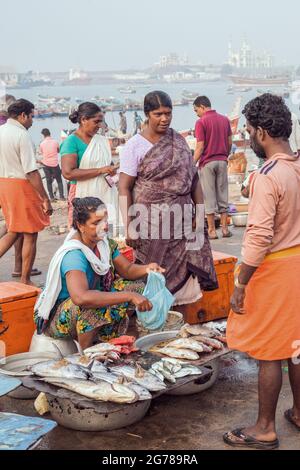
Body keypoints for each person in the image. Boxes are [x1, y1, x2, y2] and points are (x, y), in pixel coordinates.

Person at [224, 94, 300, 450]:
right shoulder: (297, 166)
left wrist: (241, 282)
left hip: (276, 268)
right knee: (297, 346)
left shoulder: (267, 175)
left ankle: (265, 427)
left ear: (263, 133)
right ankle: (299, 412)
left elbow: (258, 235)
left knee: (271, 352)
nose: (250, 138)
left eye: (251, 131)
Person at [119, 91, 217, 317]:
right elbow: (124, 187)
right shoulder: (134, 146)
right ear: (147, 114)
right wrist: (130, 226)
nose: (164, 119)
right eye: (158, 114)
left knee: (185, 282)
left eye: (168, 113)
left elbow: (194, 181)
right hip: (150, 225)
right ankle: (156, 329)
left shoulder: (179, 140)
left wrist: (199, 214)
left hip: (183, 225)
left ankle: (182, 328)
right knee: (153, 281)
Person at [35, 197, 164, 350]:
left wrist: (148, 268)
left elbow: (127, 270)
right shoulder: (74, 255)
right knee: (92, 305)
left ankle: (109, 339)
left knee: (135, 287)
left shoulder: (104, 244)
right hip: (57, 318)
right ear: (80, 225)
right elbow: (81, 297)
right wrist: (129, 297)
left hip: (84, 303)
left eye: (105, 221)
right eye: (96, 223)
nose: (104, 227)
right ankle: (88, 355)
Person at [0, 99, 52, 285]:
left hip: (4, 185)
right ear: (22, 116)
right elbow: (30, 171)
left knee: (14, 230)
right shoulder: (21, 135)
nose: (32, 121)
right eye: (31, 116)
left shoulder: (2, 131)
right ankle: (25, 279)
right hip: (20, 185)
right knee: (30, 232)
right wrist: (45, 198)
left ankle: (24, 277)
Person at [60, 103, 118, 228]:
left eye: (101, 122)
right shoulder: (71, 141)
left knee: (107, 228)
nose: (100, 126)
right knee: (85, 229)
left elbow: (107, 165)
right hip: (82, 193)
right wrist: (100, 170)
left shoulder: (100, 140)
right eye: (96, 122)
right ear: (83, 120)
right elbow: (68, 173)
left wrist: (112, 170)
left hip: (105, 191)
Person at [193, 96, 232, 240]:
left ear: (202, 107)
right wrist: (224, 156)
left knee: (208, 196)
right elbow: (229, 142)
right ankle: (225, 229)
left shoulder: (201, 122)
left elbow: (200, 146)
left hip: (207, 163)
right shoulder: (224, 120)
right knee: (223, 195)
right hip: (222, 160)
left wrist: (191, 164)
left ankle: (211, 231)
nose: (196, 113)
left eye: (196, 110)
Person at [38, 128, 65, 201]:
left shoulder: (42, 144)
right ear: (50, 133)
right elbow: (59, 151)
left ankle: (52, 197)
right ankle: (62, 197)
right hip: (55, 164)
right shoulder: (55, 142)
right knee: (59, 180)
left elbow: (41, 153)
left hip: (46, 164)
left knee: (48, 181)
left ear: (43, 135)